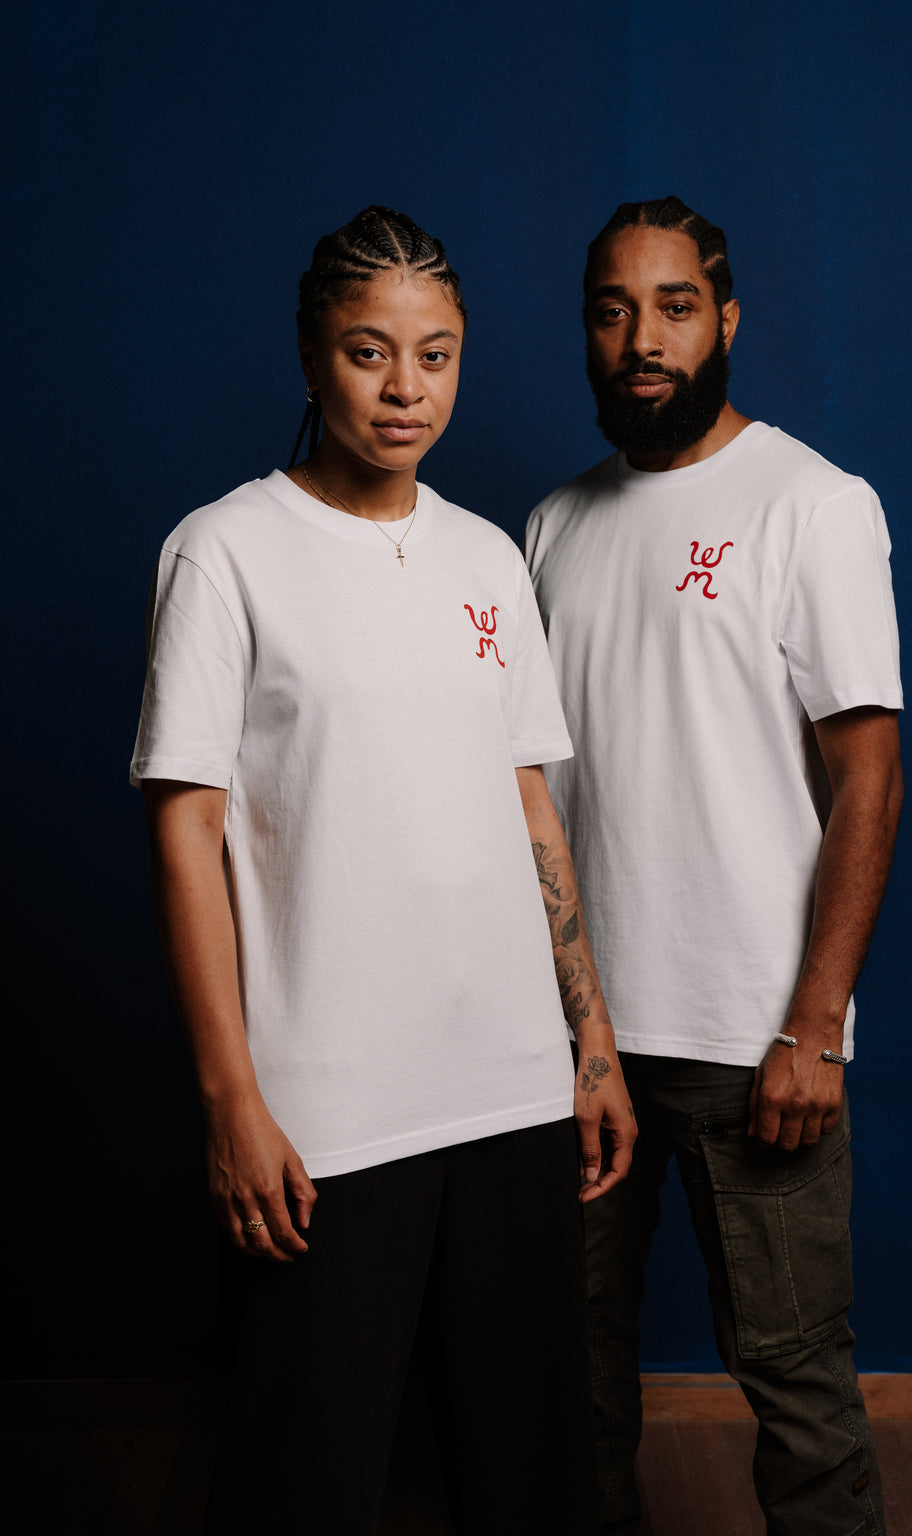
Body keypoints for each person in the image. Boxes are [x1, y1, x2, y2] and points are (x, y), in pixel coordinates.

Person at [131, 205, 635, 1536]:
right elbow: (185, 828)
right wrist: (231, 1095)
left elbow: (530, 799)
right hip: (333, 1108)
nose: (407, 388)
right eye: (369, 352)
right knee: (311, 1476)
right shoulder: (224, 550)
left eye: (437, 354)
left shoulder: (484, 557)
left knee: (531, 1477)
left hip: (512, 1082)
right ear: (311, 359)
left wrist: (588, 1043)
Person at [525, 196, 904, 1536]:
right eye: (615, 309)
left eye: (675, 306)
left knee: (797, 1387)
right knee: (569, 1385)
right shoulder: (552, 526)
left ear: (726, 321)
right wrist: (558, 1025)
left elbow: (871, 775)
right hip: (580, 1046)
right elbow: (536, 796)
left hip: (759, 1043)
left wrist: (814, 1023)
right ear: (587, 332)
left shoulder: (813, 504)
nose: (644, 338)